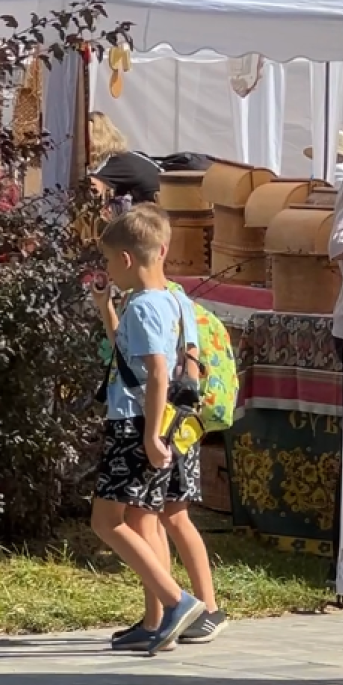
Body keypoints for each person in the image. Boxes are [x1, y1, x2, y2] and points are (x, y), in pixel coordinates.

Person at [92, 205, 222, 654]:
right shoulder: (176, 300)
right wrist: (107, 311)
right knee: (144, 516)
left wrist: (147, 435)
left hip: (137, 423)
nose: (109, 269)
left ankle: (174, 602)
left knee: (109, 521)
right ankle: (160, 618)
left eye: (109, 261)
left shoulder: (145, 307)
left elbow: (157, 373)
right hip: (173, 424)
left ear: (126, 259)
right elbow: (139, 360)